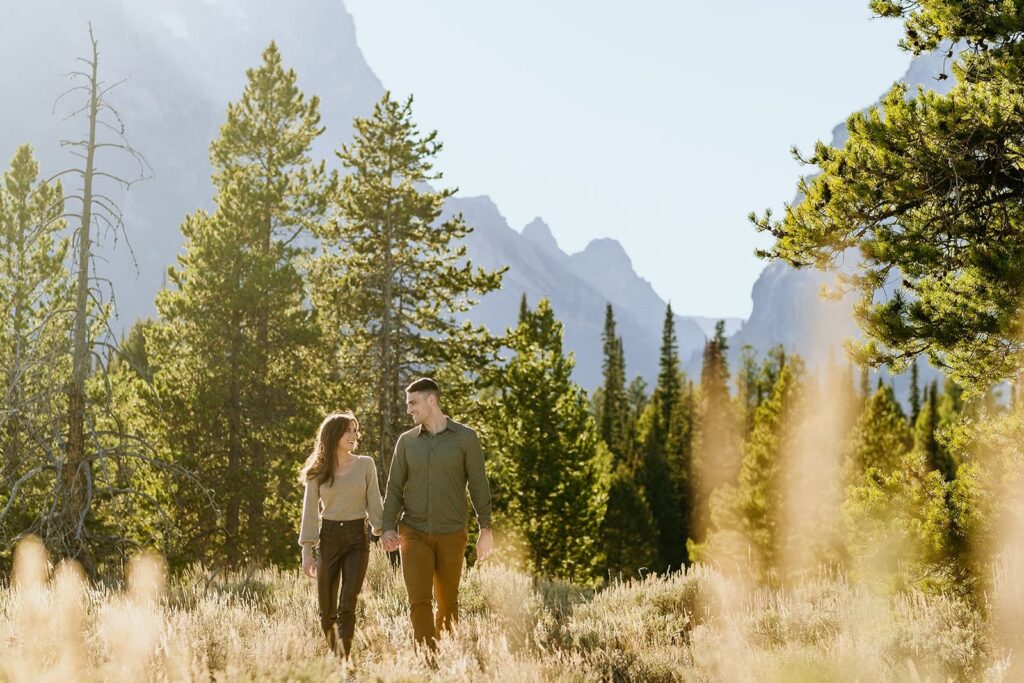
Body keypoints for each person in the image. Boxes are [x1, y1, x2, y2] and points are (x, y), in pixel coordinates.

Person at [381, 377, 494, 649]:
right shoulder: (406, 442)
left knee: (447, 601)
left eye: (413, 402)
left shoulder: (466, 438)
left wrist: (485, 529)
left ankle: (446, 656)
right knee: (419, 600)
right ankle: (427, 658)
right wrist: (388, 526)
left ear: (431, 400)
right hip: (414, 531)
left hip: (452, 533)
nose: (409, 409)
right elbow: (394, 487)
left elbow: (479, 484)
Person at [298, 410, 384, 660]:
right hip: (329, 539)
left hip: (358, 538)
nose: (354, 435)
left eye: (355, 430)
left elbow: (374, 504)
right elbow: (310, 514)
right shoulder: (317, 471)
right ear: (334, 434)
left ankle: (341, 662)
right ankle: (335, 653)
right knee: (327, 610)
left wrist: (384, 531)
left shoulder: (366, 464)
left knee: (347, 605)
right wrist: (307, 550)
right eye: (348, 430)